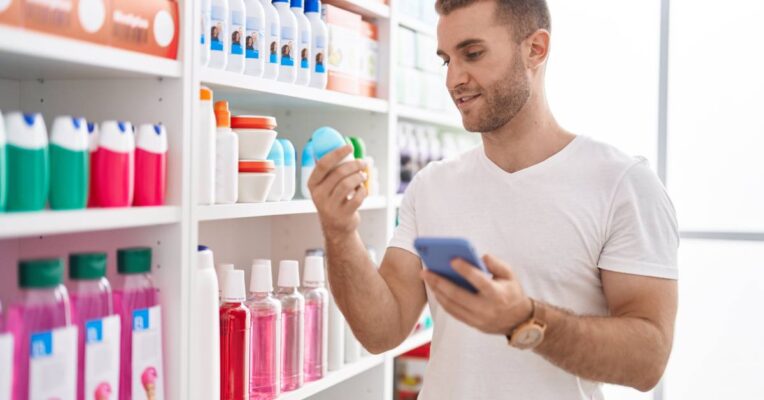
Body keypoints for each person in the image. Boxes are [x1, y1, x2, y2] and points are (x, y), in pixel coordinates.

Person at [308, 0, 679, 399]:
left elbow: (648, 362)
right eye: (445, 60)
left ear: (535, 49)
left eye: (472, 53)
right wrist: (340, 231)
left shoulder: (622, 184)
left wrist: (524, 319)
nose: (454, 79)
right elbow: (381, 331)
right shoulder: (432, 186)